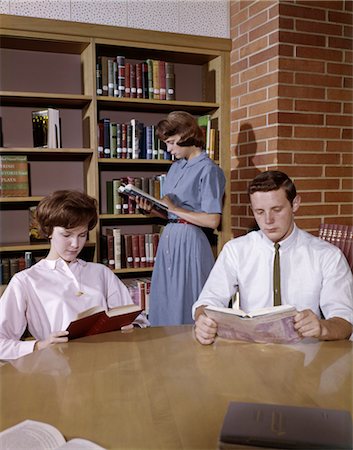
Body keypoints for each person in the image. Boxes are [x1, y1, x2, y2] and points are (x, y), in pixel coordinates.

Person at [193, 170, 353, 344]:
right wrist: (203, 321)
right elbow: (207, 302)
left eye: (277, 210)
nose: (268, 220)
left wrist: (322, 328)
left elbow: (345, 322)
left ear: (295, 204)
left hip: (308, 358)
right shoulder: (236, 250)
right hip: (251, 355)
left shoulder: (327, 255)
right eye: (260, 212)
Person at [0, 190, 148, 360]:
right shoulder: (26, 281)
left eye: (82, 235)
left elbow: (139, 320)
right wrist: (38, 346)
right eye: (66, 235)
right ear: (48, 231)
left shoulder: (101, 272)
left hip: (106, 363)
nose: (75, 244)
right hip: (59, 370)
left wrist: (132, 327)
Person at [136, 111, 226, 325]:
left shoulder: (209, 170)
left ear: (187, 135)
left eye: (172, 142)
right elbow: (171, 214)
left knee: (185, 300)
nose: (169, 149)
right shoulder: (175, 167)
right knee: (166, 300)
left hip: (190, 242)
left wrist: (174, 208)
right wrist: (151, 209)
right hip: (170, 238)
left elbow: (213, 220)